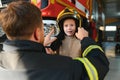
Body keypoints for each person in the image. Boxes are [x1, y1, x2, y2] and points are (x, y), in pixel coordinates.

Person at [0, 1, 109, 80]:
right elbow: (99, 65)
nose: (69, 28)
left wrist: (42, 49)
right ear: (37, 34)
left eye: (71, 25)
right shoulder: (65, 66)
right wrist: (86, 39)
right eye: (43, 29)